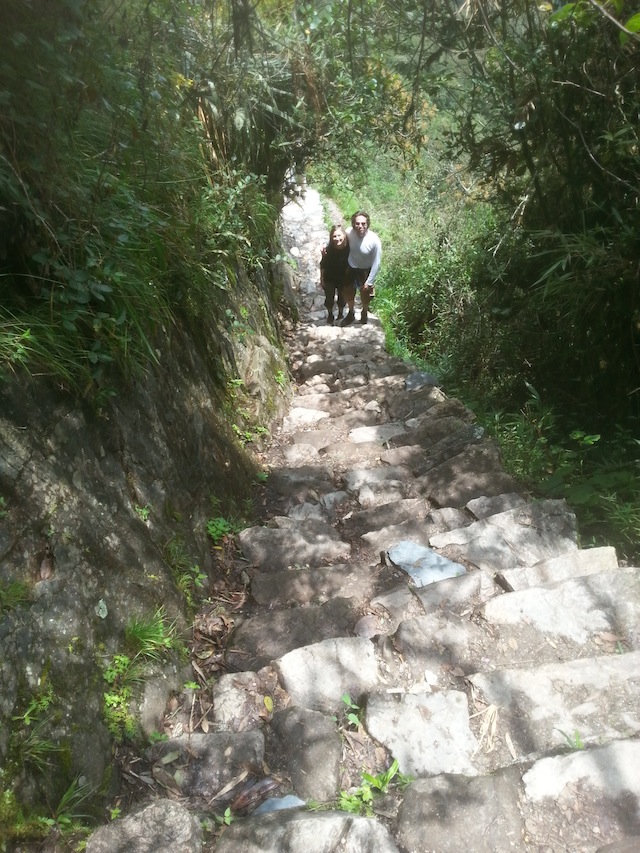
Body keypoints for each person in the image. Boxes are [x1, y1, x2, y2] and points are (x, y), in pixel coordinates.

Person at [341, 210, 382, 326]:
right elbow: (337, 240)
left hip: (365, 270)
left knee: (366, 296)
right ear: (353, 224)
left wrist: (370, 281)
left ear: (367, 224)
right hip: (351, 268)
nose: (360, 226)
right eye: (357, 223)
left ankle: (364, 312)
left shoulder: (374, 240)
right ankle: (351, 313)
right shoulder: (349, 232)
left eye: (363, 223)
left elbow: (377, 262)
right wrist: (325, 246)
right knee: (348, 293)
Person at [319, 224, 349, 324]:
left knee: (342, 298)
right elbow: (323, 264)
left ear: (344, 235)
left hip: (344, 278)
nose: (337, 238)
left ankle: (340, 313)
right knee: (329, 298)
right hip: (329, 277)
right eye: (334, 236)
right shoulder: (328, 249)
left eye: (339, 235)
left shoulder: (349, 249)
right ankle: (330, 314)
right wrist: (321, 278)